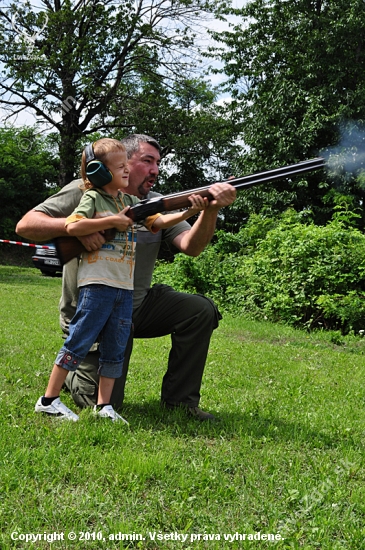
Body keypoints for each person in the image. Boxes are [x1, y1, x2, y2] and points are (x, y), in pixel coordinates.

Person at [16, 134, 236, 421]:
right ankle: (69, 381)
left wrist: (209, 209)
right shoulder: (86, 191)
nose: (156, 170)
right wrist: (85, 228)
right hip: (92, 306)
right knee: (99, 398)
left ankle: (181, 403)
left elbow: (191, 247)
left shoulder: (154, 203)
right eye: (147, 161)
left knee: (199, 311)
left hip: (134, 305)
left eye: (158, 163)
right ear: (120, 164)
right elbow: (26, 225)